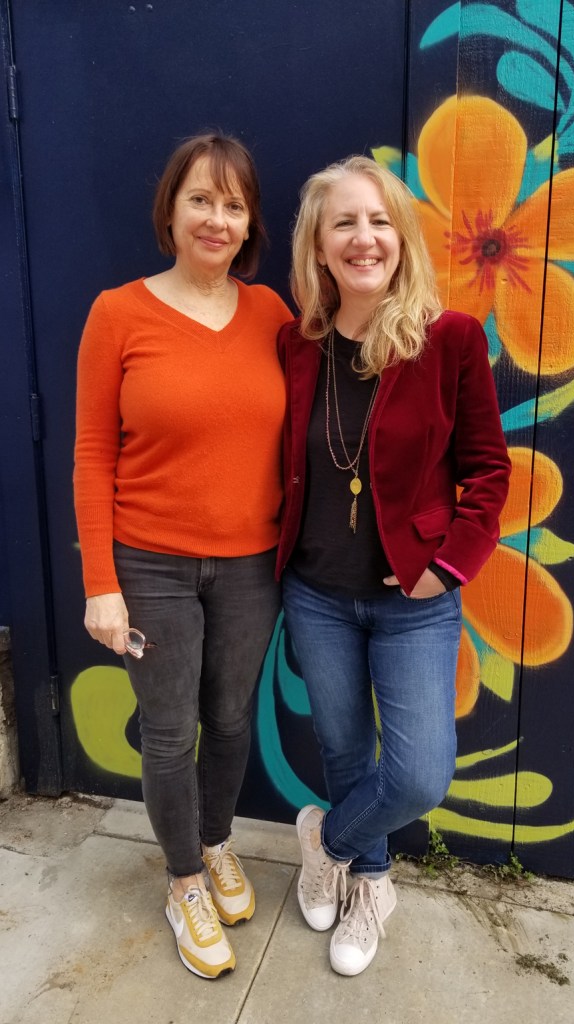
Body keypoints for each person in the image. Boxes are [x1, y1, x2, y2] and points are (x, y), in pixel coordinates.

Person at [276, 156, 511, 977]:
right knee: (345, 753)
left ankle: (325, 842)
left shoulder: (449, 339)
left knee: (416, 777)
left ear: (402, 237)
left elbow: (488, 472)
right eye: (342, 222)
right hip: (315, 594)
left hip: (414, 601)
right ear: (319, 244)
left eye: (378, 220)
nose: (363, 237)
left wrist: (447, 567)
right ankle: (369, 884)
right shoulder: (296, 344)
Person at [74, 133, 291, 979]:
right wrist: (101, 584)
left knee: (229, 720)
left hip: (250, 565)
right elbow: (93, 453)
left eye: (234, 205)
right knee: (169, 733)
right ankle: (183, 881)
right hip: (149, 565)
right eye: (201, 199)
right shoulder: (117, 313)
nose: (216, 219)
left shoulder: (273, 316)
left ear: (250, 224)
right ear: (170, 210)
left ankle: (215, 840)